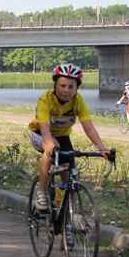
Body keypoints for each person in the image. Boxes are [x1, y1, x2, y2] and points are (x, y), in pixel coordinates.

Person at [28, 63, 110, 213]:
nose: (66, 90)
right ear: (55, 85)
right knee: (50, 147)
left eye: (71, 87)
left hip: (62, 135)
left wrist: (102, 147)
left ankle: (70, 211)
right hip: (39, 133)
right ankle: (41, 192)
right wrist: (49, 142)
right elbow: (45, 127)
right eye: (62, 85)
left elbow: (89, 127)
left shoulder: (78, 101)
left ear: (77, 88)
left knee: (68, 171)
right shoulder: (45, 99)